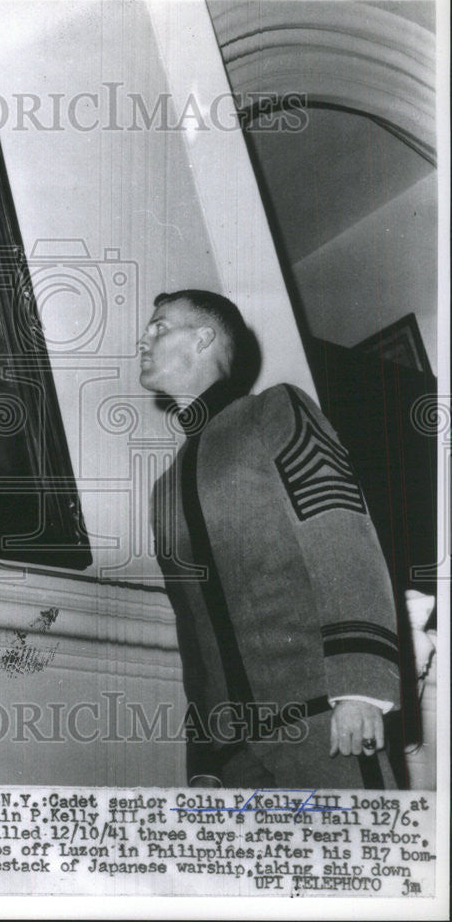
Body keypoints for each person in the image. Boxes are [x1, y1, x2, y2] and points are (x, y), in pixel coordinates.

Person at [139, 289, 402, 788]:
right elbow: (191, 632)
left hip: (324, 723)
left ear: (203, 339)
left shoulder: (273, 411)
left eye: (159, 327)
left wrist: (361, 690)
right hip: (235, 757)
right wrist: (205, 762)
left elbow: (341, 530)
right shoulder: (164, 488)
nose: (142, 339)